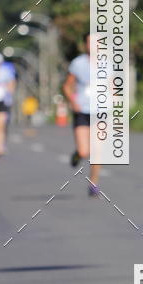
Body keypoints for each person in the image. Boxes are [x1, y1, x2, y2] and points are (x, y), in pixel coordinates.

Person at [62, 32, 101, 197]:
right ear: (85, 45)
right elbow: (67, 86)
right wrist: (73, 102)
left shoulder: (108, 64)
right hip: (82, 111)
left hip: (100, 111)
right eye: (90, 43)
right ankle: (78, 154)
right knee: (85, 151)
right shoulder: (78, 64)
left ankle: (94, 183)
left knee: (98, 150)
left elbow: (113, 86)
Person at [0, 51, 16, 158]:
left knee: (0, 126)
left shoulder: (6, 72)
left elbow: (11, 84)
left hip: (1, 102)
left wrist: (8, 96)